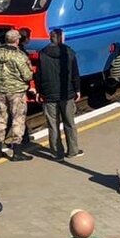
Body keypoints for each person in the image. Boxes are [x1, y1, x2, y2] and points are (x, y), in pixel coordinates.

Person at [38, 28, 82, 160]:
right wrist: (77, 89)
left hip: (49, 95)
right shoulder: (69, 52)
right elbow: (75, 74)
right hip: (66, 94)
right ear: (61, 38)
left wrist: (40, 91)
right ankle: (73, 150)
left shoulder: (42, 54)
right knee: (69, 123)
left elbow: (39, 75)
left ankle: (56, 152)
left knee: (53, 124)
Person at [0, 29, 33, 161]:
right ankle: (17, 151)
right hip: (17, 92)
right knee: (17, 120)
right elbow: (28, 75)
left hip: (1, 90)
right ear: (17, 40)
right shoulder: (19, 56)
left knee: (0, 119)